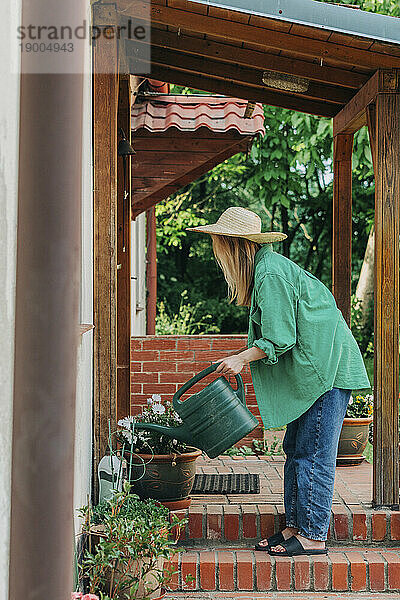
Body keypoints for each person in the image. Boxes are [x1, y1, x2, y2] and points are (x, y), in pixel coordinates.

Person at [186, 206, 370, 557]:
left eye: (216, 243)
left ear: (232, 244)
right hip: (316, 370)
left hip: (325, 372)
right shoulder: (265, 270)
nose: (215, 251)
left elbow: (280, 336)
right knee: (297, 450)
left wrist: (241, 357)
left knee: (313, 454)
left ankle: (313, 535)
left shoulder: (270, 273)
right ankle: (295, 528)